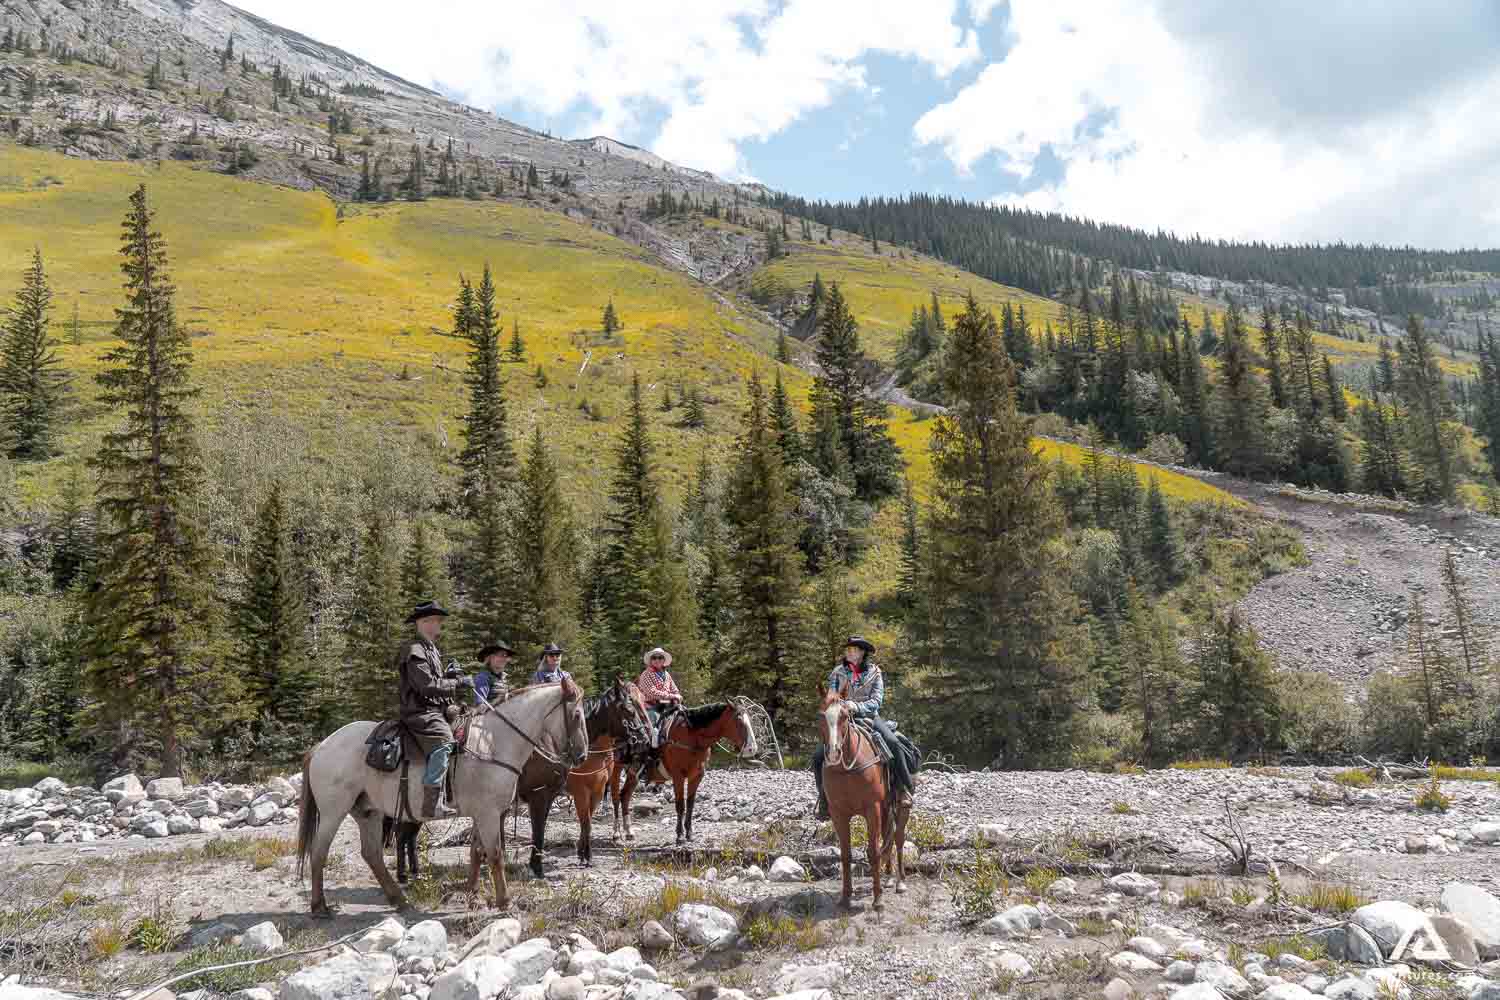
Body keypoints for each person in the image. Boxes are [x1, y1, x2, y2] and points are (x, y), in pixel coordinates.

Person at [811, 636, 912, 820]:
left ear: (863, 652)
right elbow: (831, 696)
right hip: (841, 719)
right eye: (848, 649)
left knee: (893, 742)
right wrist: (840, 705)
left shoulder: (874, 672)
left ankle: (903, 789)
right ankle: (824, 799)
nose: (849, 652)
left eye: (854, 649)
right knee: (818, 756)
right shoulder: (837, 673)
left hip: (868, 717)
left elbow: (876, 701)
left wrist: (856, 706)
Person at [396, 601, 472, 819]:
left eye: (436, 620)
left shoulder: (431, 649)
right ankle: (432, 804)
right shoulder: (414, 650)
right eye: (427, 620)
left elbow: (437, 683)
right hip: (419, 712)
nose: (433, 625)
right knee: (444, 741)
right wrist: (457, 683)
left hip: (435, 709)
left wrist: (452, 691)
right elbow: (426, 686)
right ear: (418, 624)